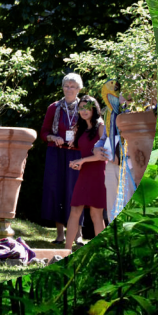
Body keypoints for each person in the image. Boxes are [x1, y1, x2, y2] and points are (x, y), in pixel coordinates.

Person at [40, 73, 85, 245]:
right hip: (56, 153)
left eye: (73, 86)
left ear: (79, 89)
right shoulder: (54, 107)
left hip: (76, 154)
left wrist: (78, 138)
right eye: (66, 85)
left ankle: (78, 234)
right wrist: (53, 137)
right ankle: (60, 235)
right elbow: (44, 132)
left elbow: (92, 130)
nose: (69, 89)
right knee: (55, 190)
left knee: (76, 192)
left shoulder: (85, 107)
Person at [65, 95, 110, 250]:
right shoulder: (81, 128)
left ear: (94, 109)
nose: (83, 111)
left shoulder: (101, 127)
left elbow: (102, 155)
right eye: (81, 108)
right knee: (74, 210)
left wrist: (82, 161)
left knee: (96, 214)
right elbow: (85, 152)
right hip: (84, 173)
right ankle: (65, 251)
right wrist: (79, 163)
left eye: (87, 107)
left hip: (98, 174)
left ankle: (101, 251)